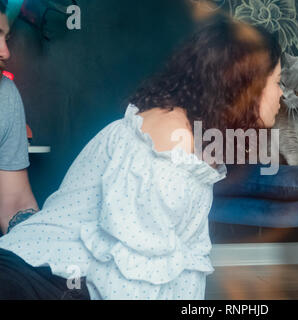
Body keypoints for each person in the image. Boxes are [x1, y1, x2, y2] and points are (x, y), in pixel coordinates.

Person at [0, 16, 282, 299]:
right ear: (247, 86)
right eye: (278, 82)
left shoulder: (192, 144)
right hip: (39, 277)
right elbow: (129, 277)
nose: (283, 95)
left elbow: (178, 269)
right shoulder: (171, 144)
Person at [0, 0, 39, 236]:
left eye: (6, 37)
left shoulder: (5, 94)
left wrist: (43, 256)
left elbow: (15, 206)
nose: (5, 52)